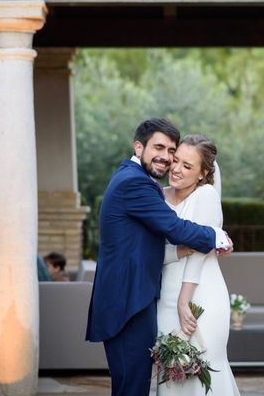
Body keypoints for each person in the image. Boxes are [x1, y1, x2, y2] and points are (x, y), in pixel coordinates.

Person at [85, 118, 232, 396]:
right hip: (129, 302)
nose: (166, 158)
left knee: (135, 385)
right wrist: (217, 237)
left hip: (135, 298)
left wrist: (185, 249)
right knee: (132, 387)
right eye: (159, 148)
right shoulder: (135, 183)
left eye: (171, 151)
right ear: (139, 147)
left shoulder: (131, 177)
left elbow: (148, 247)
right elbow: (175, 228)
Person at [158, 134, 240, 395]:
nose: (177, 169)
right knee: (171, 373)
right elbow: (152, 253)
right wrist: (181, 249)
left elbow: (199, 253)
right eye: (176, 160)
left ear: (204, 173)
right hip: (166, 297)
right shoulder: (156, 196)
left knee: (207, 367)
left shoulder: (205, 196)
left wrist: (184, 302)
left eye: (188, 166)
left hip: (201, 294)